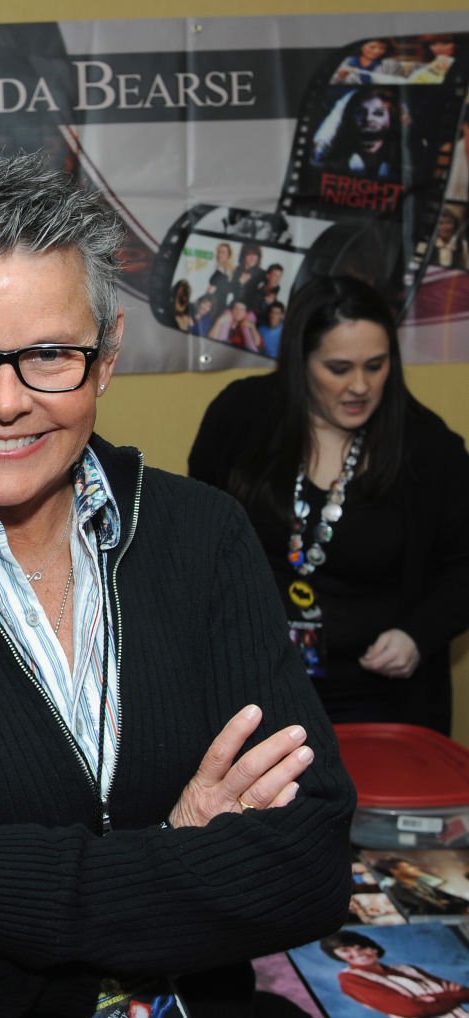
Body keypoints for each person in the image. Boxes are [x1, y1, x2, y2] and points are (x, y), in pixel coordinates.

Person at [0, 153, 355, 1018]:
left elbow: (306, 870)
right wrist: (178, 865)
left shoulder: (204, 538)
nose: (6, 403)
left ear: (107, 355)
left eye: (49, 354)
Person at [188, 274, 469, 732]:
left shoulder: (427, 447)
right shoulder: (241, 415)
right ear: (301, 362)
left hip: (380, 698)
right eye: (339, 369)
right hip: (256, 683)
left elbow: (463, 565)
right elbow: (198, 536)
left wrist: (418, 636)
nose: (360, 386)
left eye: (376, 366)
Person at [320, 930, 469, 1018]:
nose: (357, 953)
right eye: (345, 950)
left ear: (373, 949)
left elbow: (465, 993)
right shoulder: (350, 979)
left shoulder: (406, 968)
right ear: (338, 957)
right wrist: (451, 995)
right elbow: (413, 1010)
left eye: (361, 947)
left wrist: (436, 999)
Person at [312, 87, 403, 180]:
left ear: (390, 120)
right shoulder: (335, 166)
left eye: (378, 113)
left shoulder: (398, 168)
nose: (368, 118)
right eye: (360, 112)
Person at [330, 39, 404, 85]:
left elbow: (400, 83)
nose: (377, 51)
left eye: (382, 48)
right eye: (372, 47)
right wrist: (340, 77)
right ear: (361, 47)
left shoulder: (391, 64)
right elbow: (331, 84)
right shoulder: (345, 62)